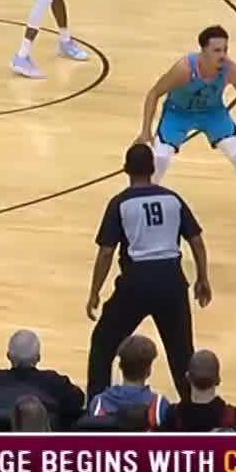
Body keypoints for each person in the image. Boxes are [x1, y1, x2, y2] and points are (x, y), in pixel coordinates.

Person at [135, 26, 236, 250]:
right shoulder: (183, 69)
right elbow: (154, 93)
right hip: (178, 113)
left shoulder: (231, 71)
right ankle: (143, 221)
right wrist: (145, 130)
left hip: (213, 113)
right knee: (159, 161)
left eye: (225, 49)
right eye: (217, 50)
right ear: (203, 51)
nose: (222, 55)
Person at [85, 143, 210, 399]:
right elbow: (196, 241)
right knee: (182, 355)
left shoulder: (120, 203)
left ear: (126, 170)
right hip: (172, 282)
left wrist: (95, 292)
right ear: (153, 169)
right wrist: (202, 278)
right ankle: (192, 411)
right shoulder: (173, 199)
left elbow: (106, 252)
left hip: (136, 283)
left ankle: (96, 411)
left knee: (103, 344)